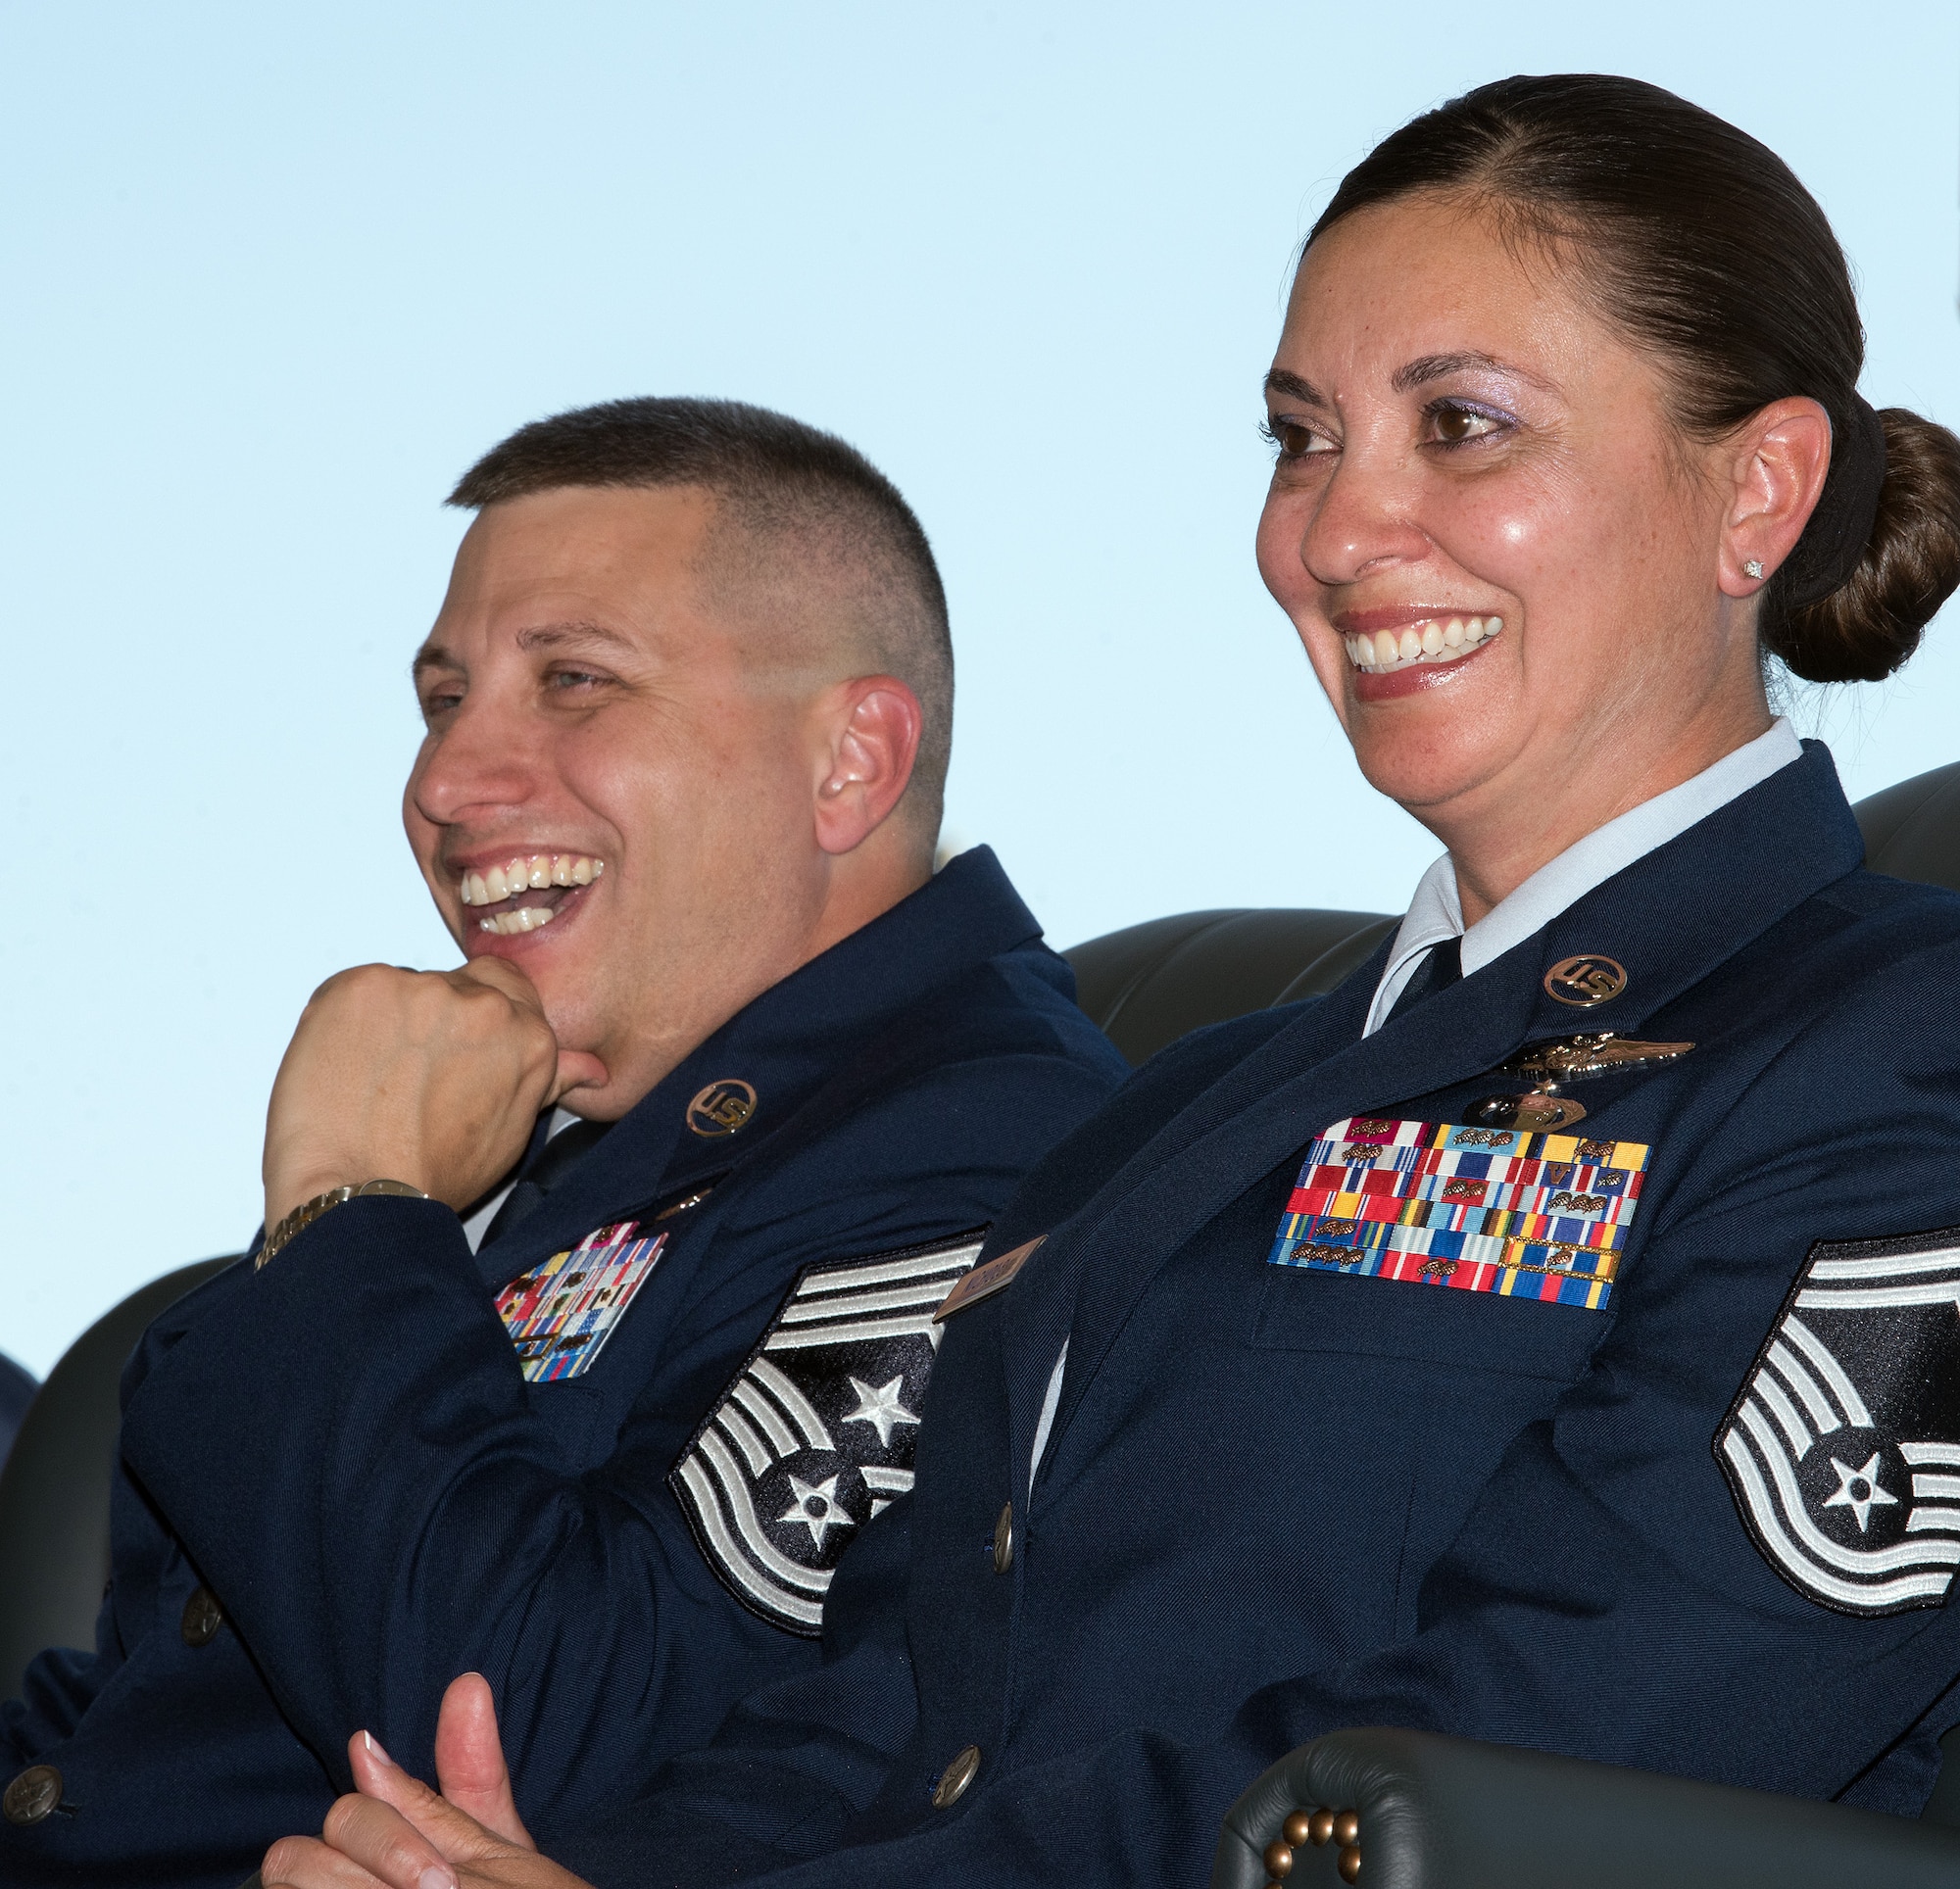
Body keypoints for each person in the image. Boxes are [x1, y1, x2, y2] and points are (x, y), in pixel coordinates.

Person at [262, 73, 1960, 1889]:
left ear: (1759, 491)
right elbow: (893, 1701)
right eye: (1302, 438)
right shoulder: (1176, 1112)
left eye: (1459, 425)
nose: (1333, 529)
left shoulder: (1892, 1052)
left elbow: (1534, 1749)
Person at [0, 398, 1129, 1887]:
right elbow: (135, 1723)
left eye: (576, 681)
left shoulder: (993, 1158)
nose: (447, 786)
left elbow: (547, 1743)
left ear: (852, 762)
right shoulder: (537, 1172)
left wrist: (349, 1203)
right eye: (442, 700)